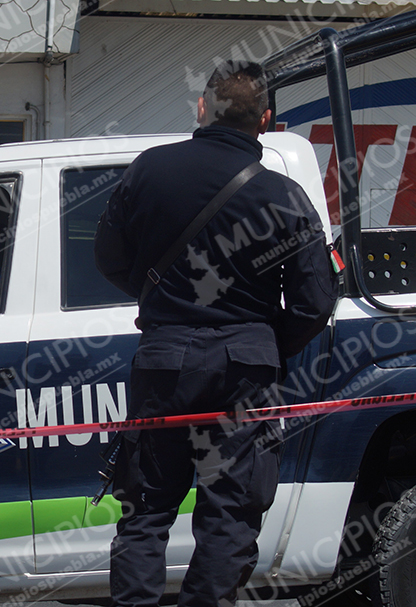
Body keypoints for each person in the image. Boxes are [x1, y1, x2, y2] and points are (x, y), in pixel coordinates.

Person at [94, 60, 338, 607]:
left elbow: (108, 258)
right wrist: (263, 343)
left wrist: (158, 296)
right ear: (267, 120)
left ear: (202, 108)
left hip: (164, 363)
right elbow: (315, 301)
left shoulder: (148, 170)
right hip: (244, 373)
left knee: (146, 511)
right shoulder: (284, 195)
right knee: (230, 513)